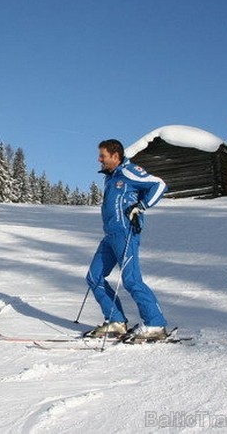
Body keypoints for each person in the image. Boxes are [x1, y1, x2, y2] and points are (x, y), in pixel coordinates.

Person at [84, 139, 169, 339]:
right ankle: (115, 321)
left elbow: (159, 184)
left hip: (126, 233)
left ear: (115, 155)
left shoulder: (130, 171)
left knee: (131, 280)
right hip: (110, 235)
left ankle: (155, 324)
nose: (99, 159)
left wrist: (142, 205)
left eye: (102, 156)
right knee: (94, 277)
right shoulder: (111, 177)